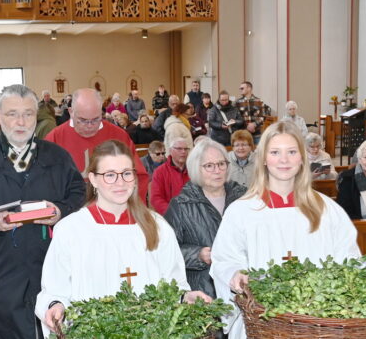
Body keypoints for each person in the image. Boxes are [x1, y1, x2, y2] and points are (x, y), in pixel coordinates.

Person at [0, 84, 85, 339]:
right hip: (1, 268)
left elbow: (78, 195)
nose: (21, 122)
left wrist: (60, 211)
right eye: (12, 114)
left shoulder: (58, 157)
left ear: (37, 117)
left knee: (55, 329)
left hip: (51, 265)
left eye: (28, 114)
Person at [36, 139, 209, 336]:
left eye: (126, 173)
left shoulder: (157, 226)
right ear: (93, 179)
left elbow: (174, 284)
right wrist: (55, 305)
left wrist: (186, 297)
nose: (120, 182)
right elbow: (54, 289)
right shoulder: (72, 229)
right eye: (110, 175)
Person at [210, 122, 361, 338]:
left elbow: (349, 260)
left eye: (291, 152)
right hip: (261, 322)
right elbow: (224, 260)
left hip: (317, 323)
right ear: (263, 158)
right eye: (275, 152)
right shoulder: (241, 211)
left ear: (302, 158)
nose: (284, 160)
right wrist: (234, 274)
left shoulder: (327, 210)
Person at [165, 138, 246, 299]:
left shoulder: (244, 198)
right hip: (204, 293)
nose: (217, 170)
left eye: (221, 164)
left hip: (242, 288)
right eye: (209, 166)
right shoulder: (181, 205)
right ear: (196, 168)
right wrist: (197, 254)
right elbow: (166, 253)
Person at [45, 89, 150, 199]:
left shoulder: (119, 136)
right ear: (71, 112)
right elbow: (44, 182)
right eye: (83, 120)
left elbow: (138, 177)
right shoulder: (54, 138)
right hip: (68, 207)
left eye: (96, 119)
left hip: (113, 206)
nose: (89, 125)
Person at [149, 136, 191, 214]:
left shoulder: (193, 170)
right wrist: (173, 212)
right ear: (171, 151)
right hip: (170, 215)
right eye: (179, 149)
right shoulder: (160, 172)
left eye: (186, 149)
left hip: (193, 214)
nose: (183, 152)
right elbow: (156, 199)